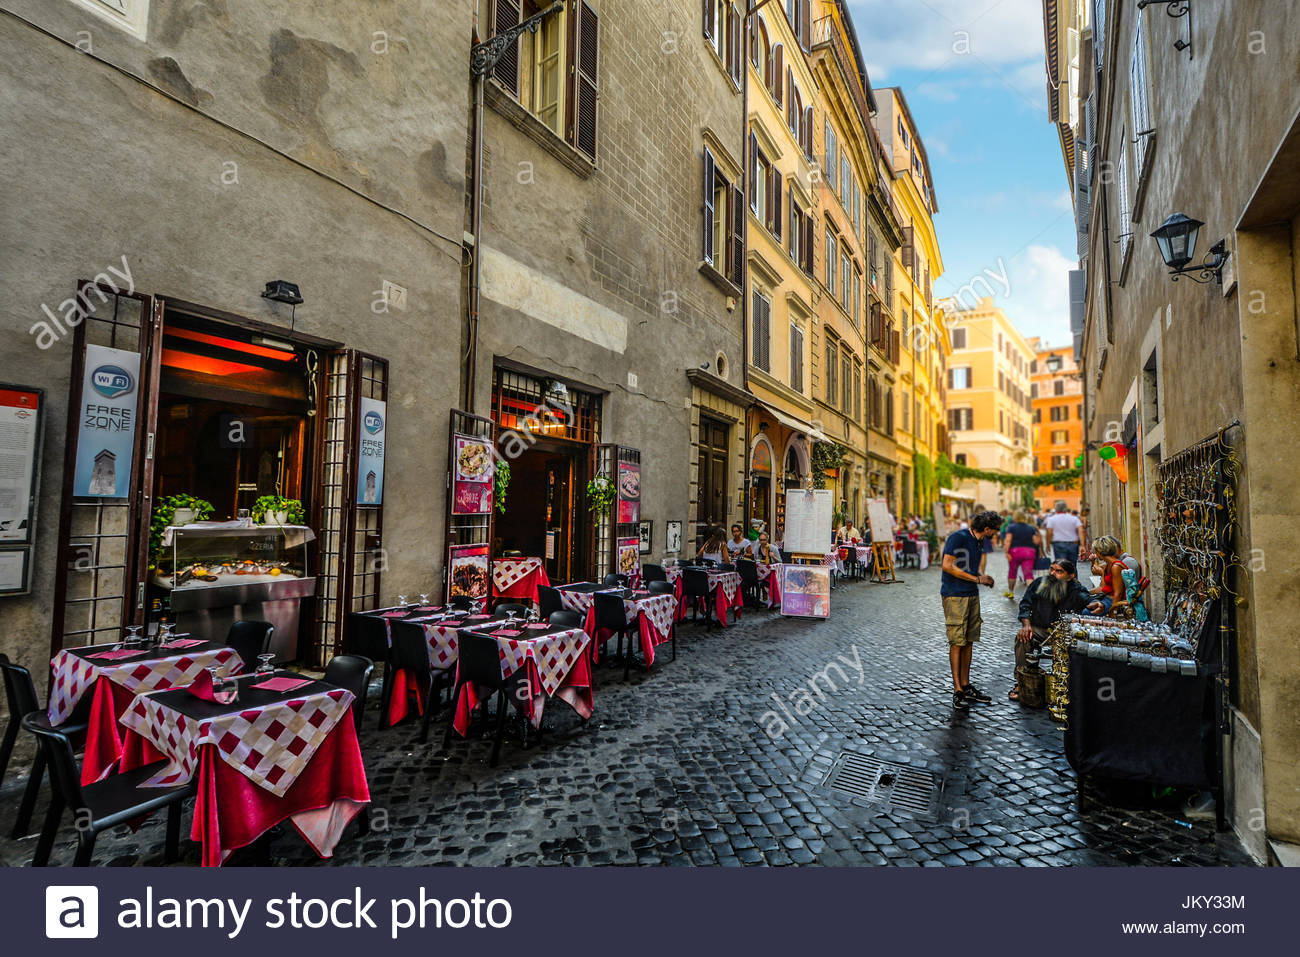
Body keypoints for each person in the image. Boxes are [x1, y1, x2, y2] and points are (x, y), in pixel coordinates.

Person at [940, 509, 1001, 710]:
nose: (995, 534)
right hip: (955, 594)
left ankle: (966, 685)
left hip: (971, 593)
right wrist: (977, 579)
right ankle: (957, 690)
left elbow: (968, 567)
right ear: (986, 528)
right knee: (957, 641)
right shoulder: (957, 537)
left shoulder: (979, 541)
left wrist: (982, 577)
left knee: (968, 640)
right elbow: (947, 565)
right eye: (994, 530)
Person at [1009, 559, 1091, 701]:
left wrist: (1096, 604)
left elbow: (1088, 600)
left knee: (1074, 646)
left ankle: (1065, 685)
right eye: (1052, 569)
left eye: (1059, 571)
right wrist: (1026, 625)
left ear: (1070, 576)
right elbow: (1025, 604)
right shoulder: (1040, 583)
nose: (1053, 574)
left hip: (1063, 632)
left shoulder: (1075, 589)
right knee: (1022, 638)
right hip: (1040, 629)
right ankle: (1022, 682)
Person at [1002, 510, 1042, 599]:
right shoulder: (1031, 527)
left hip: (1015, 552)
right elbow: (1036, 541)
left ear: (1015, 517)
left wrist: (1006, 552)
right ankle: (1032, 595)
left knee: (1012, 572)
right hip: (1029, 552)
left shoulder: (1011, 527)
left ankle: (1011, 592)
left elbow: (1008, 540)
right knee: (1028, 574)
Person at [1043, 500, 1084, 564]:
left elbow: (1049, 533)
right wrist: (1082, 545)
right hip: (1073, 544)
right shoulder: (1074, 518)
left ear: (1056, 509)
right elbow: (1080, 531)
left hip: (1059, 544)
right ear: (1066, 508)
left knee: (1061, 565)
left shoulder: (1052, 519)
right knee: (1072, 565)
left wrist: (1048, 545)